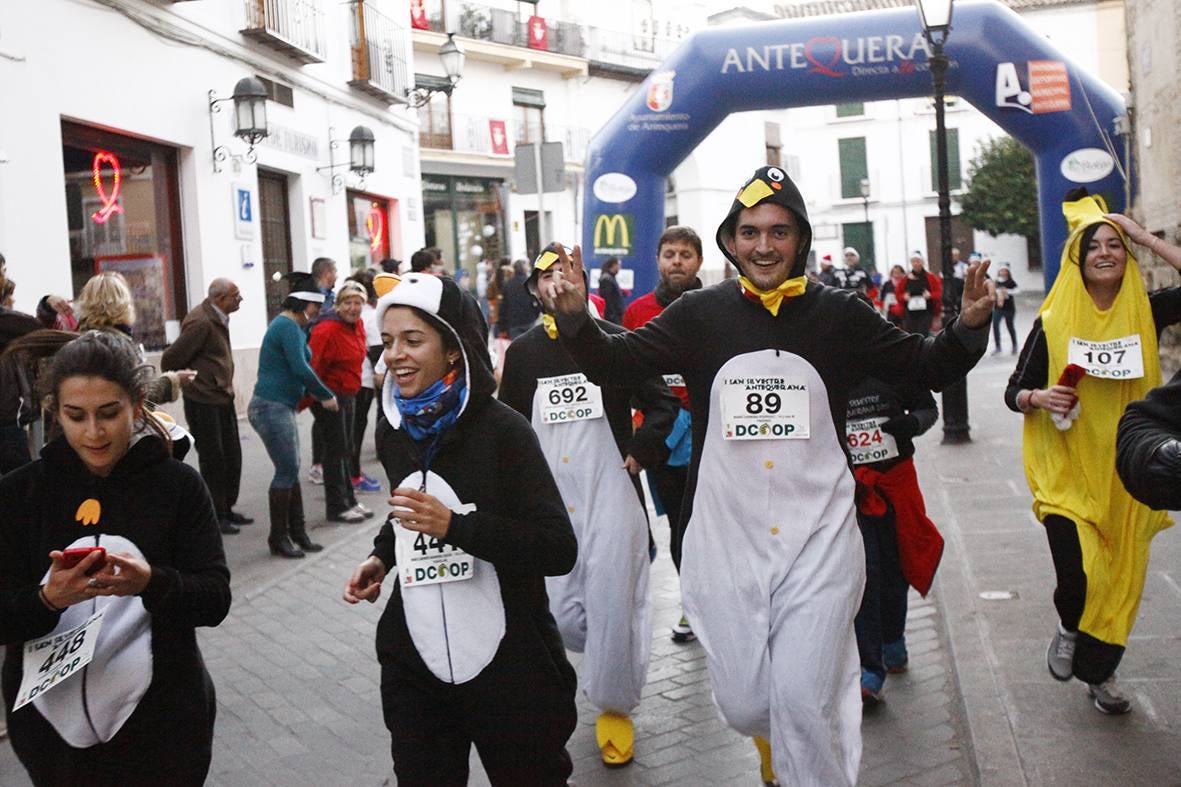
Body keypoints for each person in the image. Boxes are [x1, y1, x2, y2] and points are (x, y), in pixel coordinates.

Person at [538, 165, 993, 786]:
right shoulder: (699, 314)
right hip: (727, 539)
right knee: (751, 703)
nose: (763, 245)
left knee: (804, 698)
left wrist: (966, 326)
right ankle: (784, 745)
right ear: (730, 241)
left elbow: (923, 365)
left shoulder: (841, 314)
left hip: (822, 539)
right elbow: (619, 363)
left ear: (800, 239)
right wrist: (574, 320)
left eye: (779, 231)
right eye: (749, 231)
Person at [343, 272, 579, 784]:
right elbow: (408, 510)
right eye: (387, 342)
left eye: (412, 340)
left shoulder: (504, 431)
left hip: (512, 671)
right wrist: (382, 556)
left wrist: (458, 527)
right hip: (417, 667)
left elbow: (558, 547)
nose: (395, 356)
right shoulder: (394, 428)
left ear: (452, 348)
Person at [0, 329, 230, 784]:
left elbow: (215, 600)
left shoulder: (178, 486)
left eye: (109, 413)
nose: (93, 431)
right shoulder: (19, 493)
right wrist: (46, 600)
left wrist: (152, 582)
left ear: (138, 401)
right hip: (54, 744)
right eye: (75, 415)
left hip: (165, 734)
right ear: (55, 411)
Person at [499, 246, 678, 768]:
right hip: (550, 500)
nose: (555, 283)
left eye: (564, 273)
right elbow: (508, 424)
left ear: (580, 280)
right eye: (545, 277)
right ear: (533, 291)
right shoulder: (525, 354)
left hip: (612, 493)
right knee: (563, 615)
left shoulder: (616, 341)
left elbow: (663, 403)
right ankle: (603, 653)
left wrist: (641, 452)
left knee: (613, 602)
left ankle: (614, 707)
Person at [1005, 191, 1181, 715]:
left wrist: (1148, 238)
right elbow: (1014, 391)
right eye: (1094, 247)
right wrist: (1039, 396)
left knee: (1119, 580)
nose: (1105, 253)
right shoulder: (1054, 320)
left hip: (1126, 474)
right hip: (1066, 472)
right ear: (1077, 261)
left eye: (1116, 245)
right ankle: (1066, 626)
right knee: (1079, 579)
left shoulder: (1146, 313)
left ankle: (1099, 676)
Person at [623, 225, 703, 642]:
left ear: (699, 262)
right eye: (669, 253)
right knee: (677, 523)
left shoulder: (713, 307)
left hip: (710, 431)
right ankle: (692, 606)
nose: (676, 261)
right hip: (663, 434)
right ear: (658, 259)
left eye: (685, 255)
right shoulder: (637, 312)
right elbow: (626, 370)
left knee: (712, 523)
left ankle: (722, 604)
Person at [845, 367, 941, 705]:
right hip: (849, 492)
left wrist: (910, 425)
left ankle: (893, 641)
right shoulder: (824, 366)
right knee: (865, 573)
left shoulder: (893, 362)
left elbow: (928, 409)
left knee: (895, 564)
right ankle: (869, 669)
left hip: (896, 485)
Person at [248, 273, 339, 558]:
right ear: (303, 303)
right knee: (287, 470)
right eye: (315, 306)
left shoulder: (293, 326)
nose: (318, 312)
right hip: (270, 405)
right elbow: (300, 368)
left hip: (279, 405)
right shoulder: (286, 326)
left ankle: (297, 533)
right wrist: (325, 395)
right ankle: (279, 537)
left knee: (290, 468)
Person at [160, 278, 253, 534]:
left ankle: (227, 508)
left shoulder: (218, 317)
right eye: (236, 295)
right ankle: (216, 514)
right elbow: (170, 359)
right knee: (214, 458)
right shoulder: (201, 321)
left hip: (222, 396)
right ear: (220, 299)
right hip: (203, 399)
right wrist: (197, 380)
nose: (240, 299)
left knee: (232, 455)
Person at [309, 280, 374, 525]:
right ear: (338, 305)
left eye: (358, 303)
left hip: (349, 393)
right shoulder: (327, 329)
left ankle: (349, 500)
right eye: (347, 303)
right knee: (335, 451)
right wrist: (322, 396)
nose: (353, 308)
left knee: (346, 448)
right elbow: (312, 364)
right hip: (330, 396)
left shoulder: (357, 326)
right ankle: (336, 507)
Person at [348, 270, 385, 495]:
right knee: (356, 430)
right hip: (362, 381)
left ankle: (353, 473)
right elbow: (376, 351)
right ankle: (353, 475)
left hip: (358, 379)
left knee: (353, 431)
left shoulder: (364, 315)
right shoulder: (371, 316)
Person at [496, 259, 539, 339]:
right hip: (529, 320)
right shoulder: (530, 282)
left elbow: (503, 306)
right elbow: (537, 300)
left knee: (517, 348)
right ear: (525, 269)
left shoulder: (508, 284)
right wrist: (535, 315)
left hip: (514, 323)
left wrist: (502, 326)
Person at [902, 251, 939, 336]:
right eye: (913, 261)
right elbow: (898, 294)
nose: (916, 264)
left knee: (923, 333)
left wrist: (930, 296)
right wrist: (904, 297)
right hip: (910, 312)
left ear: (922, 262)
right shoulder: (906, 278)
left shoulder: (930, 277)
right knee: (911, 334)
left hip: (926, 311)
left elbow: (938, 293)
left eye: (918, 261)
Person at [992, 264, 1020, 355]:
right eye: (1001, 271)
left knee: (1010, 326)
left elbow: (1017, 290)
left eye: (1005, 271)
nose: (1003, 272)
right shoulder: (996, 282)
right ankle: (998, 346)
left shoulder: (1011, 282)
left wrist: (1007, 291)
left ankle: (1014, 345)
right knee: (995, 325)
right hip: (998, 307)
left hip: (1009, 308)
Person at [597, 257, 625, 324]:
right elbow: (607, 299)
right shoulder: (606, 279)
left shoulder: (611, 278)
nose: (619, 268)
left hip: (615, 316)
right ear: (614, 265)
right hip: (612, 318)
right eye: (618, 265)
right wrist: (612, 317)